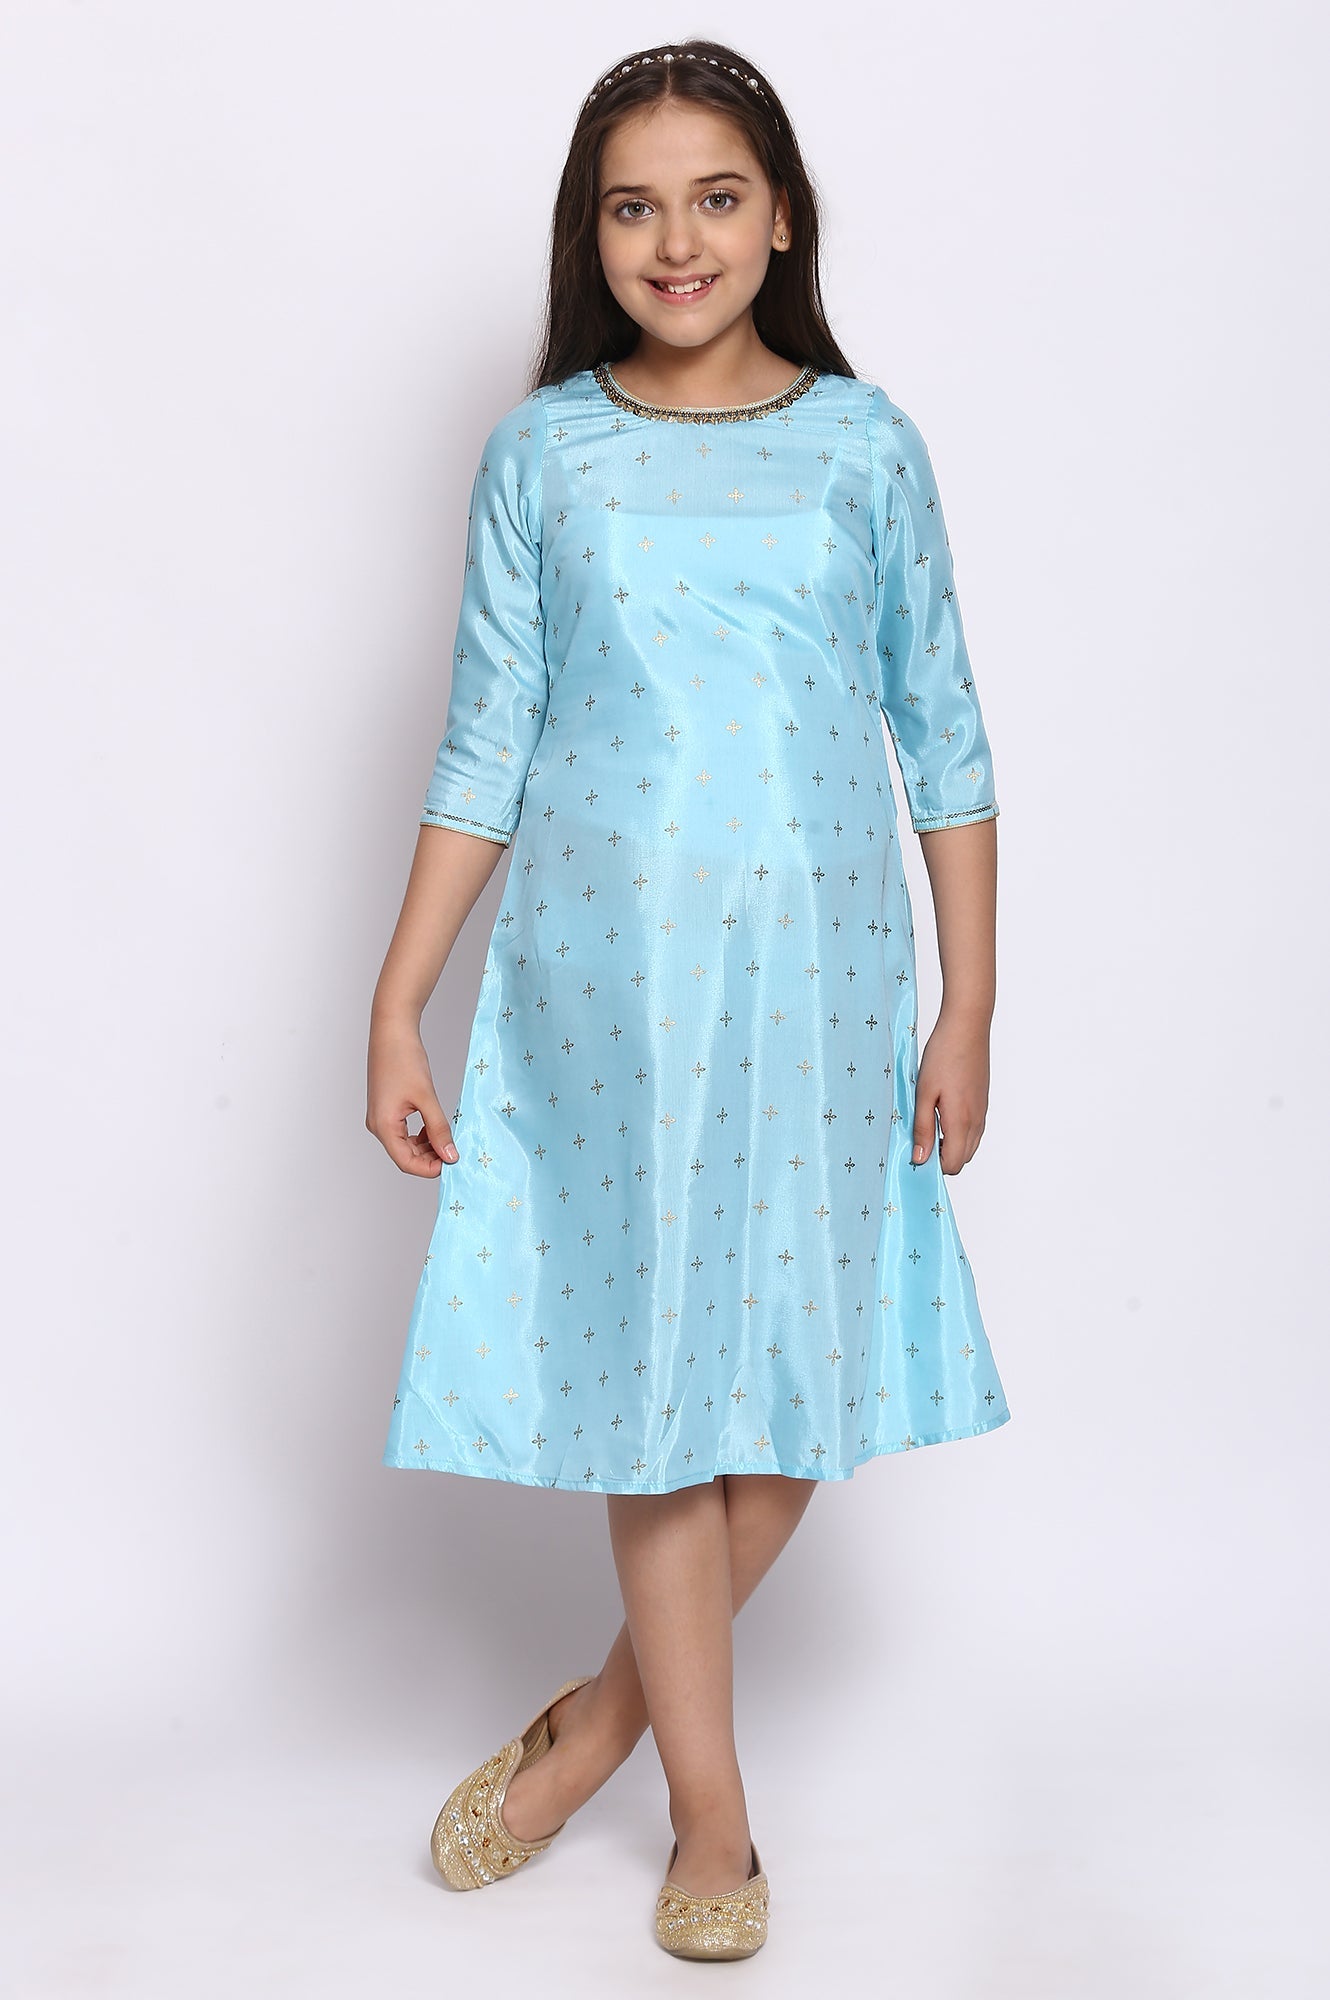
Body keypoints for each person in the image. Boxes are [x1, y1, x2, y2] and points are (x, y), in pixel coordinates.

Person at [366, 36, 1010, 1961]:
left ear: (780, 217)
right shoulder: (543, 452)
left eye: (714, 197)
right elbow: (485, 742)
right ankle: (709, 1822)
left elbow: (945, 740)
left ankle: (594, 1723)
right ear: (590, 235)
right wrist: (399, 1001)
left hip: (822, 972)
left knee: (798, 1370)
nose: (675, 241)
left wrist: (968, 1003)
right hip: (605, 977)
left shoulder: (866, 447)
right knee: (660, 1390)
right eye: (632, 207)